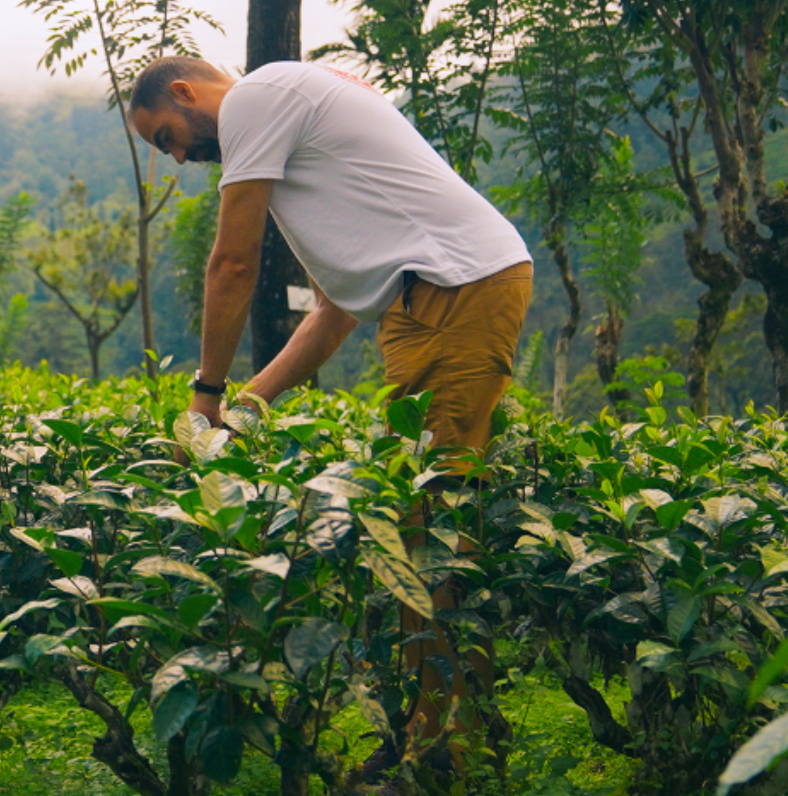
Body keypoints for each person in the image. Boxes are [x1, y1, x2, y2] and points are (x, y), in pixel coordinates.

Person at [127, 56, 532, 774]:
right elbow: (335, 312)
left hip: (458, 286)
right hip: (420, 303)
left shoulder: (256, 99)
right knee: (414, 519)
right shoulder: (287, 121)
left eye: (168, 137)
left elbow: (232, 265)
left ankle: (443, 755)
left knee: (430, 528)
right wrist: (248, 406)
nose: (180, 158)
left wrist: (205, 394)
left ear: (186, 93)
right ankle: (429, 732)